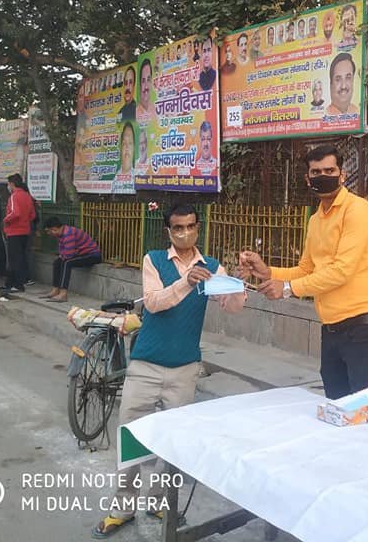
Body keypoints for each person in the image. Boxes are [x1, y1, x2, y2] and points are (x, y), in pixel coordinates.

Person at [93, 204, 245, 538]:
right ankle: (122, 508)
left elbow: (232, 308)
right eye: (178, 228)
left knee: (174, 443)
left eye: (190, 226)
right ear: (169, 231)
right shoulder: (154, 260)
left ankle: (158, 500)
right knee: (131, 438)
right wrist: (186, 282)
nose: (185, 233)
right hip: (146, 365)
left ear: (198, 228)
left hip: (185, 368)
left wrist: (238, 284)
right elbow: (153, 302)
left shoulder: (212, 267)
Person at [240, 145, 368, 400]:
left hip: (363, 326)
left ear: (342, 175)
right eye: (316, 172)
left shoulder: (358, 210)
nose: (323, 176)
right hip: (331, 327)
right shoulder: (316, 219)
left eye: (330, 170)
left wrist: (287, 289)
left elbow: (341, 271)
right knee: (335, 402)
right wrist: (268, 272)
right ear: (308, 179)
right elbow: (306, 269)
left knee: (364, 410)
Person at [41, 217, 101, 303]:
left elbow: (69, 255)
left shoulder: (68, 233)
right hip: (81, 254)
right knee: (57, 262)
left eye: (48, 231)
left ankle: (63, 294)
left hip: (92, 255)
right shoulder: (60, 234)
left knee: (67, 262)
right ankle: (55, 290)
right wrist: (61, 256)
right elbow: (62, 251)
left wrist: (63, 256)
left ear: (54, 229)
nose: (49, 233)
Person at [0, 173, 35, 294]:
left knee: (14, 259)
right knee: (20, 257)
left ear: (11, 184)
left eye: (8, 184)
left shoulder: (14, 196)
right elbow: (32, 215)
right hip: (25, 231)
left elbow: (15, 213)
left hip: (14, 231)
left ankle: (17, 284)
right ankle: (10, 283)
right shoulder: (27, 196)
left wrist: (5, 220)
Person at [137, 59, 153, 123]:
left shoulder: (155, 110)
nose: (146, 86)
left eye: (148, 80)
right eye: (143, 81)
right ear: (140, 85)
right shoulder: (136, 113)